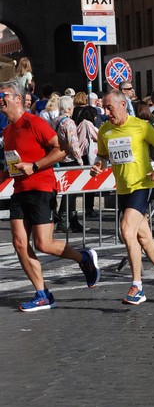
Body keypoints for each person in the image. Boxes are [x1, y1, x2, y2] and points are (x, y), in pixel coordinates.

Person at [0, 80, 100, 312]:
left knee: (43, 244)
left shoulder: (34, 123)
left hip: (41, 188)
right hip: (19, 190)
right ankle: (42, 293)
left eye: (3, 94)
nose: (0, 100)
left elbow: (62, 148)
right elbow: (14, 166)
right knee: (19, 243)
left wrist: (34, 166)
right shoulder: (7, 130)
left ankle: (83, 258)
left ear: (17, 98)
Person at [90, 89, 154, 306]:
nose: (106, 112)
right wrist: (98, 166)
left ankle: (137, 286)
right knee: (144, 238)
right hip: (122, 189)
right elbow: (103, 157)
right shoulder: (105, 130)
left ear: (123, 105)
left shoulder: (141, 126)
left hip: (142, 186)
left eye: (109, 107)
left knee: (126, 230)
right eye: (105, 108)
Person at [52, 95, 85, 233]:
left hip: (57, 160)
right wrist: (80, 160)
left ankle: (68, 220)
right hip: (69, 160)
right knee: (71, 193)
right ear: (69, 108)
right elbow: (73, 144)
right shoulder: (69, 123)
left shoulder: (54, 121)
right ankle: (65, 220)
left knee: (65, 191)